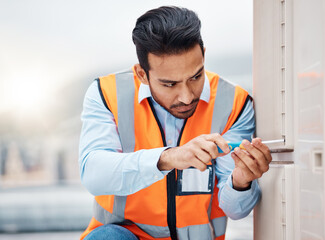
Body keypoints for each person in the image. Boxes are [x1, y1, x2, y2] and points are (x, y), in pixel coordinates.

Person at [79, 6, 272, 240]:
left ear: (203, 55)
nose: (187, 96)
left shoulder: (236, 104)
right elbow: (94, 174)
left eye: (196, 77)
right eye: (170, 84)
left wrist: (240, 182)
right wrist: (169, 157)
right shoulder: (106, 94)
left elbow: (236, 210)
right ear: (142, 74)